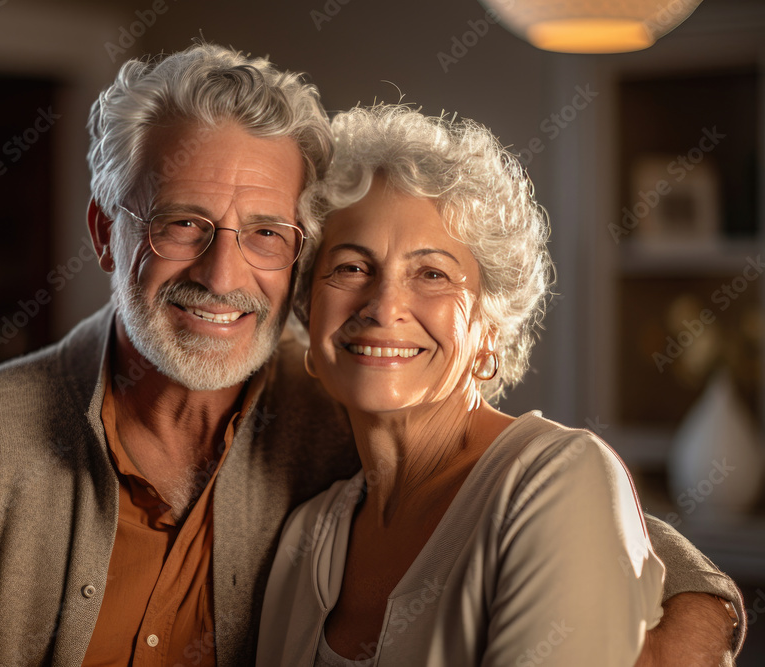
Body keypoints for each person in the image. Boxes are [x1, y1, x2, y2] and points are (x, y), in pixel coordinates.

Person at [0, 45, 744, 666]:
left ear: (293, 260)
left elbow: (580, 514)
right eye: (182, 223)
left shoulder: (344, 411)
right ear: (106, 233)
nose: (221, 271)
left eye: (266, 232)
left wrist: (695, 620)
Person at [256, 104, 744, 666]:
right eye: (350, 267)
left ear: (490, 328)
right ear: (307, 312)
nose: (384, 306)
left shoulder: (557, 477)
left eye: (432, 274)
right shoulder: (304, 535)